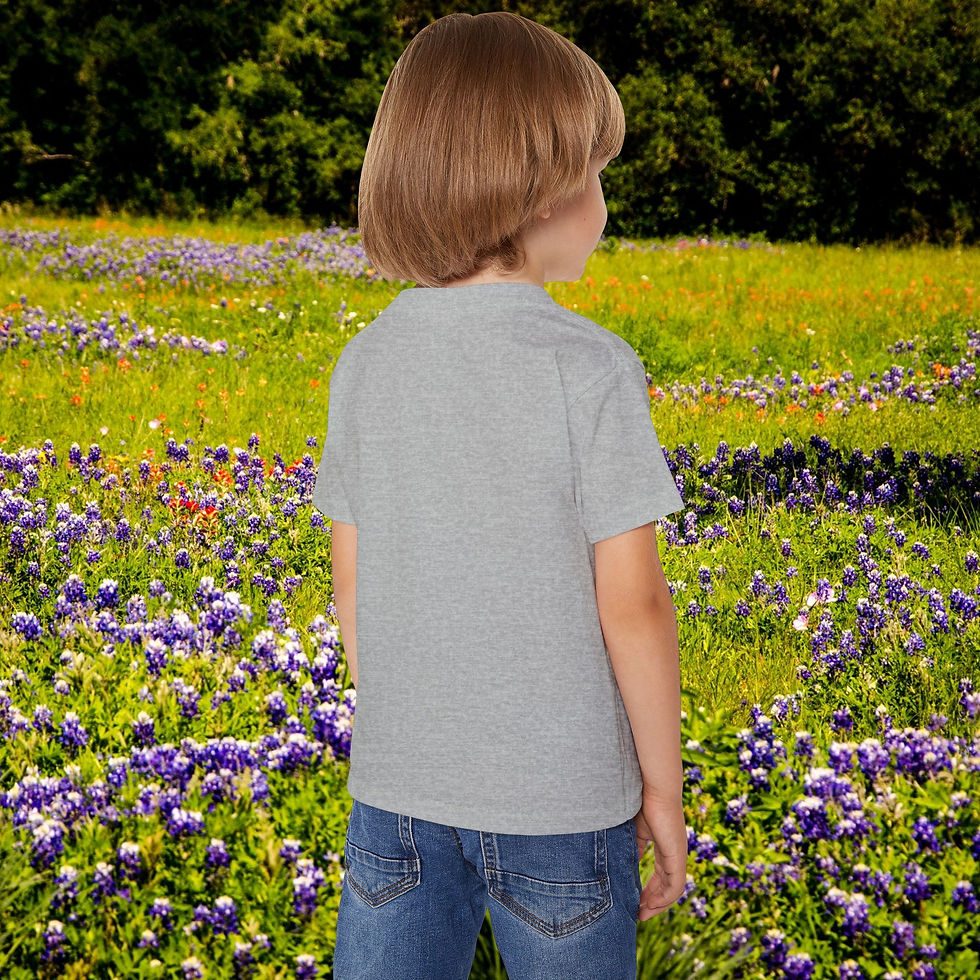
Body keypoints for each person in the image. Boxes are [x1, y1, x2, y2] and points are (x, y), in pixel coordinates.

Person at [313, 11, 688, 979]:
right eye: (595, 174)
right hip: (563, 800)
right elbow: (634, 604)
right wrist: (663, 788)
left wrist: (416, 732)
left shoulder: (365, 362)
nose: (602, 200)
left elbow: (352, 585)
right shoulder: (591, 366)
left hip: (397, 790)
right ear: (543, 194)